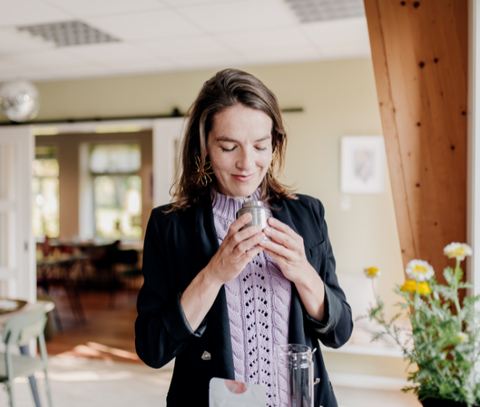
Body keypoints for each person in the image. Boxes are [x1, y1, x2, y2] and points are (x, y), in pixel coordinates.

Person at [135, 68, 353, 407]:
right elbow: (152, 349)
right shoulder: (169, 226)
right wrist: (213, 275)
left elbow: (341, 332)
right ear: (204, 146)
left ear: (274, 144)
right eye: (228, 147)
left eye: (260, 146)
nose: (246, 163)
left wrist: (304, 272)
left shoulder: (308, 215)